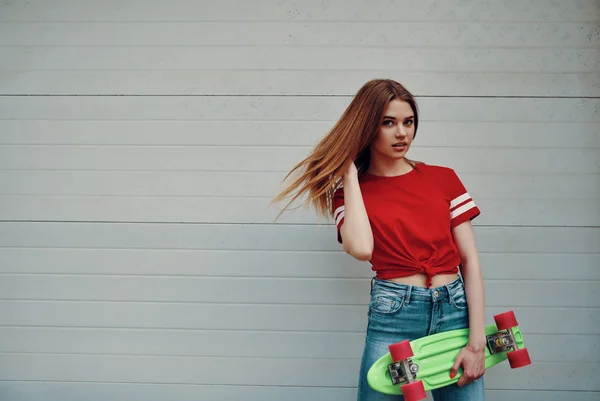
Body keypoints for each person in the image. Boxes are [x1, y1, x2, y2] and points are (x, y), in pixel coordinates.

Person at [272, 79, 486, 400]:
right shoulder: (350, 194)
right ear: (368, 127)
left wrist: (477, 343)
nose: (402, 133)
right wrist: (348, 172)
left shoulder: (444, 178)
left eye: (408, 122)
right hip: (395, 315)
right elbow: (361, 249)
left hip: (454, 312)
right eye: (388, 123)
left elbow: (470, 262)